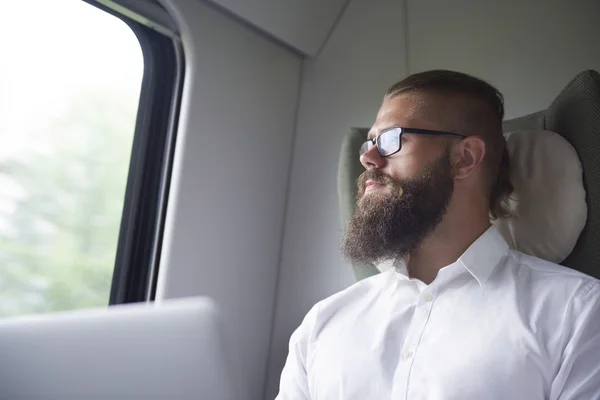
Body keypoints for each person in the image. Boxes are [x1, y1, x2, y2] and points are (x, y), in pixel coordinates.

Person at [275, 70, 600, 399]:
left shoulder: (578, 313)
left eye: (391, 139)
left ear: (464, 158)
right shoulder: (321, 325)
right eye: (369, 142)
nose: (367, 157)